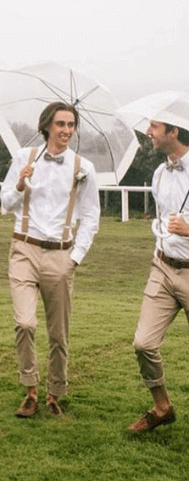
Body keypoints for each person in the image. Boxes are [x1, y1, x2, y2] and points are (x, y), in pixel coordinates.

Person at [0, 102, 100, 418]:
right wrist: (19, 184)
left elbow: (90, 215)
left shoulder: (83, 167)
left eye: (71, 125)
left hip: (61, 254)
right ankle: (30, 390)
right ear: (47, 126)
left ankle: (54, 393)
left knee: (58, 333)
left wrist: (75, 257)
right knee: (25, 322)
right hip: (24, 249)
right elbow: (5, 202)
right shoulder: (24, 158)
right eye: (61, 124)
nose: (67, 131)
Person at [127, 113, 189, 432]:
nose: (148, 131)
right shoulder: (159, 174)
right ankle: (162, 407)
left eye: (154, 126)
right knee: (143, 344)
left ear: (173, 131)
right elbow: (161, 218)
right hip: (162, 268)